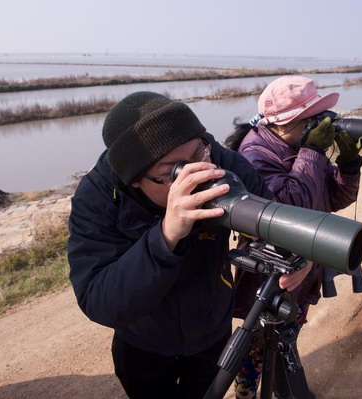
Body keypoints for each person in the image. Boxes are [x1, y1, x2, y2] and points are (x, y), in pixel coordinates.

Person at [67, 91, 280, 399]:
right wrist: (166, 235)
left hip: (212, 329)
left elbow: (270, 216)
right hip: (144, 342)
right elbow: (99, 300)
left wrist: (291, 247)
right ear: (134, 180)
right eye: (172, 174)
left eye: (198, 156)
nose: (195, 176)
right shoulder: (97, 197)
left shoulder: (217, 159)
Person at [225, 75, 362, 398]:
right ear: (284, 123)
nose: (316, 126)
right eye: (310, 120)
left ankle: (284, 387)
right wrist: (313, 151)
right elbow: (287, 214)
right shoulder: (255, 155)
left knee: (288, 332)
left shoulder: (298, 147)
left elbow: (335, 198)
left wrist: (349, 166)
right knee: (257, 343)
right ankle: (247, 395)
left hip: (303, 266)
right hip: (269, 274)